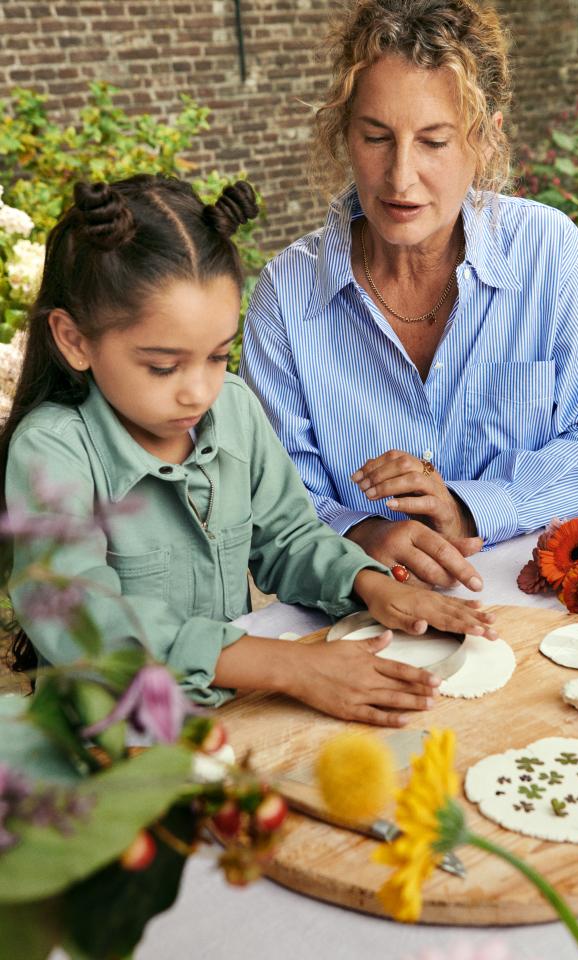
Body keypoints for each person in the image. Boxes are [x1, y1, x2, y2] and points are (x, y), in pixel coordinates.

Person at [0, 174, 496, 726]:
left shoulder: (232, 409)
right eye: (163, 366)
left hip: (230, 721)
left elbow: (288, 538)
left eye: (217, 355)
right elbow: (80, 621)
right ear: (74, 339)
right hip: (108, 751)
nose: (199, 390)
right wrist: (291, 667)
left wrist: (368, 583)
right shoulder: (51, 453)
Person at [241, 0, 578, 588]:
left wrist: (469, 506)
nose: (401, 176)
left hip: (530, 612)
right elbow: (273, 501)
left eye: (433, 141)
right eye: (376, 136)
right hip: (363, 624)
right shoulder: (285, 299)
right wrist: (358, 534)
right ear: (344, 134)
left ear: (485, 140)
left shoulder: (551, 256)